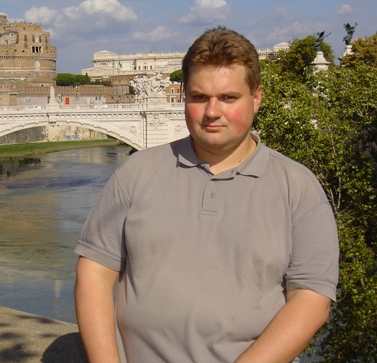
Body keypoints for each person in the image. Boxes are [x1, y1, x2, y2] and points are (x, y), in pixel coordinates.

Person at [74, 26, 339, 363]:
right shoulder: (135, 173)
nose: (212, 112)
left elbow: (311, 298)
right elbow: (94, 273)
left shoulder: (298, 186)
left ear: (256, 98)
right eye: (200, 97)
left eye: (228, 98)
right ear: (184, 96)